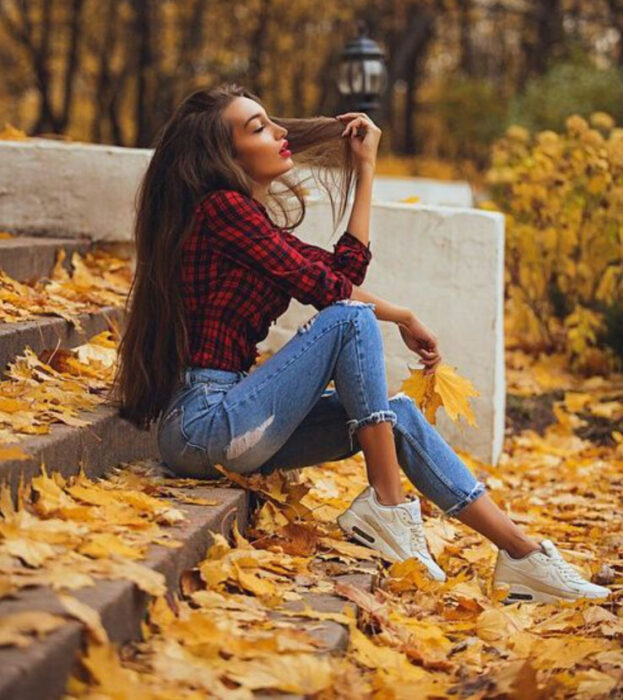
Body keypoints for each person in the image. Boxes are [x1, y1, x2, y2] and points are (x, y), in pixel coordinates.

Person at [110, 82, 610, 605]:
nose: (280, 133)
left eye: (272, 121)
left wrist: (366, 169)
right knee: (349, 319)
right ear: (224, 154)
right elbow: (330, 295)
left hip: (237, 417)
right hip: (205, 423)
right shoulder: (219, 210)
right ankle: (389, 507)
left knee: (399, 415)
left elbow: (340, 271)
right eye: (258, 128)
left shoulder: (252, 223)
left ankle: (522, 556)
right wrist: (400, 314)